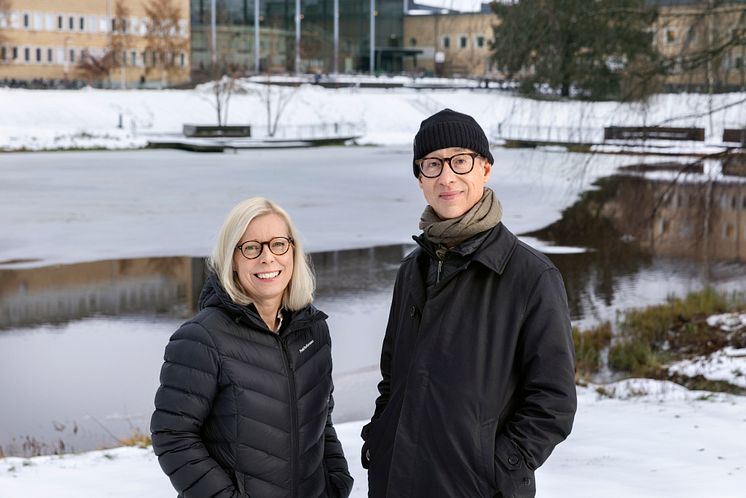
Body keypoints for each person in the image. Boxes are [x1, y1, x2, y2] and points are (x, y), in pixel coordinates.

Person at [361, 109, 577, 498]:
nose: (447, 177)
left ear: (485, 168)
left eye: (460, 160)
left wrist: (502, 466)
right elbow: (392, 378)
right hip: (396, 482)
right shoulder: (412, 271)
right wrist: (380, 438)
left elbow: (554, 400)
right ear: (419, 178)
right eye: (432, 164)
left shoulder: (531, 277)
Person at [151, 197, 353, 498]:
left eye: (278, 244)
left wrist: (336, 482)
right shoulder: (202, 338)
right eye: (251, 247)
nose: (268, 258)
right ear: (232, 259)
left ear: (293, 252)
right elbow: (173, 435)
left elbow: (321, 418)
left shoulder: (313, 331)